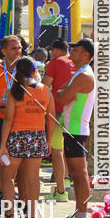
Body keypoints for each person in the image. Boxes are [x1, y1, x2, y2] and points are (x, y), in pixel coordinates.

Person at [0, 57, 55, 218]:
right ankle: (31, 217)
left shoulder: (14, 90)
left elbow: (8, 119)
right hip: (37, 137)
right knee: (33, 178)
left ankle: (9, 214)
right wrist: (48, 141)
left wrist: (3, 145)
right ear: (34, 71)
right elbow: (51, 118)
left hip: (16, 137)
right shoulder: (46, 90)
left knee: (7, 177)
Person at [55, 38, 96, 218]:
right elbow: (62, 94)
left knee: (79, 173)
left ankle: (81, 216)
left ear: (86, 54)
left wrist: (63, 92)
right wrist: (63, 92)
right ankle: (80, 214)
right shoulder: (80, 73)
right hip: (73, 129)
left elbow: (62, 96)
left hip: (76, 130)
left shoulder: (84, 75)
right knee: (77, 173)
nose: (71, 52)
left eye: (76, 50)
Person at [42, 39, 74, 202]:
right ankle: (67, 180)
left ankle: (61, 192)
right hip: (77, 111)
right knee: (71, 149)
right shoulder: (77, 63)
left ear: (55, 50)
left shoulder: (55, 63)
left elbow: (45, 86)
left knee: (57, 150)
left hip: (58, 110)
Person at [0, 35, 22, 196]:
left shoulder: (26, 68)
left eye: (19, 47)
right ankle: (3, 188)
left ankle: (14, 189)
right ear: (3, 51)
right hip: (1, 118)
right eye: (14, 48)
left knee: (18, 157)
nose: (18, 51)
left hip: (19, 120)